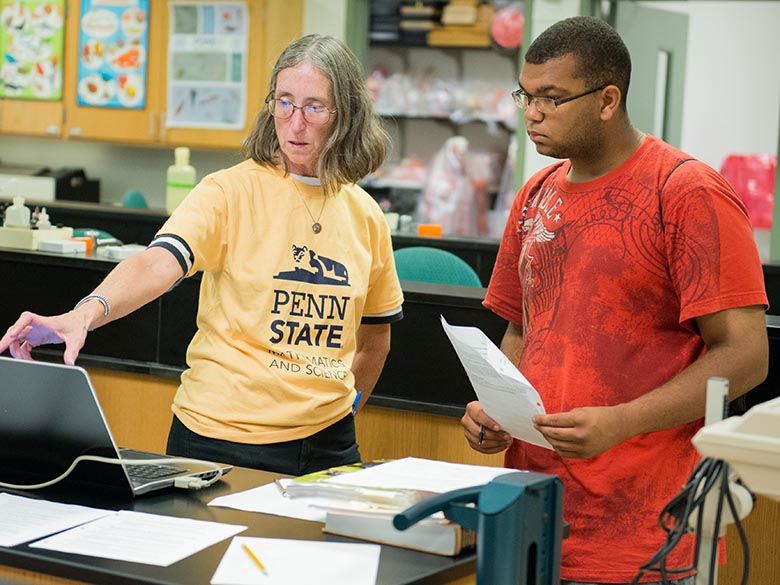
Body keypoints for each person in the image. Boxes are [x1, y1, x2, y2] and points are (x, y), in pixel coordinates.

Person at [0, 34, 404, 476]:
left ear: (344, 114)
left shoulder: (366, 215)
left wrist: (347, 410)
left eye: (314, 107)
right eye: (284, 102)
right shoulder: (228, 191)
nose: (295, 123)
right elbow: (157, 263)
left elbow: (375, 339)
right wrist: (86, 312)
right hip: (222, 442)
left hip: (330, 447)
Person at [460, 16, 768, 585]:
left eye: (552, 98)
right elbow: (525, 332)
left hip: (645, 528)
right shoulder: (535, 194)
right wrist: (497, 413)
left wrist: (623, 422)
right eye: (526, 95)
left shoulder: (686, 191)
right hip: (534, 509)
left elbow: (746, 355)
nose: (532, 112)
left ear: (607, 99)